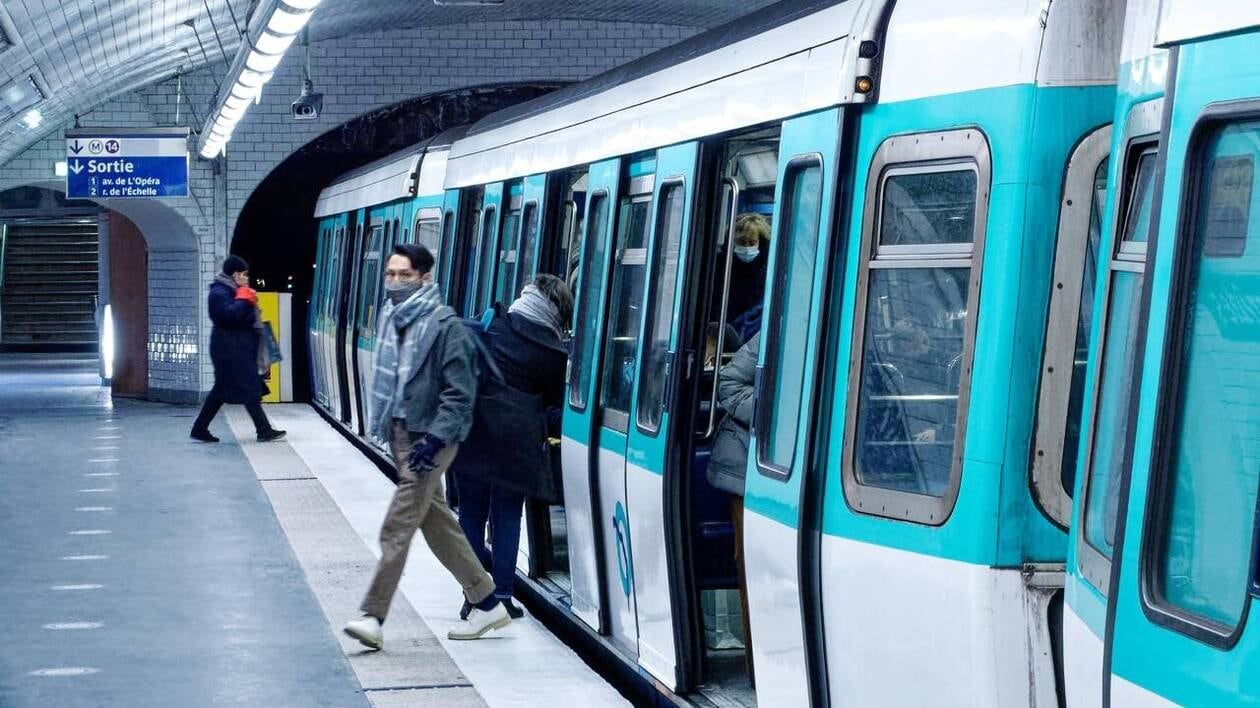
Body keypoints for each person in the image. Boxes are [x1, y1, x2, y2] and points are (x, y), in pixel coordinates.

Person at [343, 243, 509, 650]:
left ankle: (373, 616)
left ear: (425, 278)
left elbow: (460, 394)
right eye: (390, 274)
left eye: (405, 275)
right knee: (436, 522)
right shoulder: (390, 318)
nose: (395, 283)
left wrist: (436, 439)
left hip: (431, 439)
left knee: (397, 525)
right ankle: (487, 601)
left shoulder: (445, 327)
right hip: (402, 432)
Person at [452, 274, 573, 620]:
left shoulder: (493, 323)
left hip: (473, 430)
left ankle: (475, 592)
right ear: (559, 311)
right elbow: (553, 408)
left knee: (471, 513)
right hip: (517, 444)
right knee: (506, 516)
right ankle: (503, 595)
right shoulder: (553, 353)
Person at [705, 332, 759, 686]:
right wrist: (774, 412)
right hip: (743, 469)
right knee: (750, 568)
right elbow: (729, 382)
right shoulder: (773, 332)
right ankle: (757, 668)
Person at [190, 255, 285, 443]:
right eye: (243, 274)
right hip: (230, 350)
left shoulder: (229, 290)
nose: (246, 278)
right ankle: (263, 430)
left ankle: (199, 428)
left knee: (221, 391)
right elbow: (229, 316)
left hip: (236, 349)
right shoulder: (219, 292)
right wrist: (243, 297)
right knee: (249, 389)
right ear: (235, 274)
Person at [725, 213, 771, 341]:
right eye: (741, 242)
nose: (746, 247)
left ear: (760, 244)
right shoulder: (722, 267)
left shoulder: (767, 273)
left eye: (752, 243)